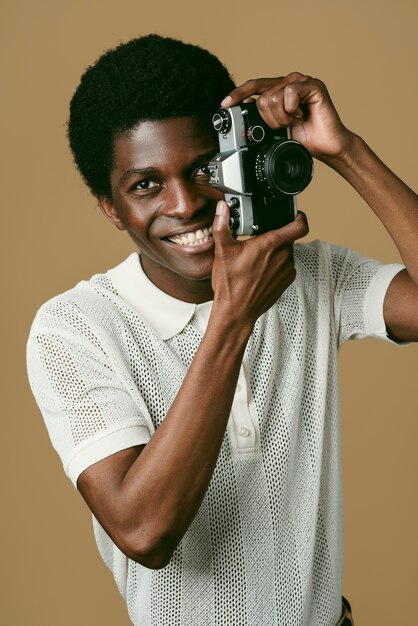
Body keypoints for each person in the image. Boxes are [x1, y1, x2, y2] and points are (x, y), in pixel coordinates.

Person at [26, 34, 418, 626]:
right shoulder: (75, 329)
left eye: (205, 168)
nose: (184, 204)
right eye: (145, 184)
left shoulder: (308, 276)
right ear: (110, 206)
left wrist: (346, 152)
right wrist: (233, 317)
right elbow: (143, 529)